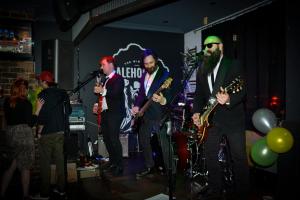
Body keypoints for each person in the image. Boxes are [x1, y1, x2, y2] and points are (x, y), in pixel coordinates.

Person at [192, 35, 249, 199]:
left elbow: (243, 90)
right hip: (211, 121)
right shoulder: (202, 69)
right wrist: (196, 112)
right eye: (205, 46)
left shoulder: (233, 64)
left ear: (221, 46)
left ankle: (243, 193)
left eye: (210, 45)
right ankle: (215, 190)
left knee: (238, 157)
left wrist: (230, 99)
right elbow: (198, 95)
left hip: (233, 120)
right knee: (210, 155)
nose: (206, 49)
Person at [131, 49, 175, 182]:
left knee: (164, 144)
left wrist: (163, 100)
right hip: (145, 113)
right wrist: (137, 106)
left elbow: (170, 94)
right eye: (146, 64)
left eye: (151, 63)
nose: (149, 66)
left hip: (159, 114)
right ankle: (150, 167)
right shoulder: (144, 74)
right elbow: (141, 94)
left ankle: (171, 173)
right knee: (143, 139)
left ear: (156, 61)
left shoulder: (165, 74)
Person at [1, 78, 44, 200]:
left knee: (11, 165)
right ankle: (25, 195)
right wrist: (38, 109)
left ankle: (2, 192)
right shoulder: (25, 103)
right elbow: (30, 123)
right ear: (24, 89)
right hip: (23, 136)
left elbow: (6, 120)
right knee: (25, 166)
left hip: (10, 135)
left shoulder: (7, 101)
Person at [35, 71, 72, 199]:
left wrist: (39, 132)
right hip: (60, 132)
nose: (40, 84)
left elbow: (41, 117)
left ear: (45, 82)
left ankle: (44, 193)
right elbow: (69, 111)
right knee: (60, 162)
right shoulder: (62, 93)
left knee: (45, 163)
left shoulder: (42, 95)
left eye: (40, 82)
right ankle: (61, 189)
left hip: (46, 133)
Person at [93, 56, 126, 176]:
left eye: (103, 65)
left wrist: (102, 91)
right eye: (101, 65)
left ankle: (119, 165)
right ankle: (113, 162)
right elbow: (103, 96)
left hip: (115, 113)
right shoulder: (105, 79)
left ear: (111, 65)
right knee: (107, 139)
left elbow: (116, 93)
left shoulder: (118, 78)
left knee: (113, 138)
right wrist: (97, 104)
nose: (101, 67)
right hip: (106, 112)